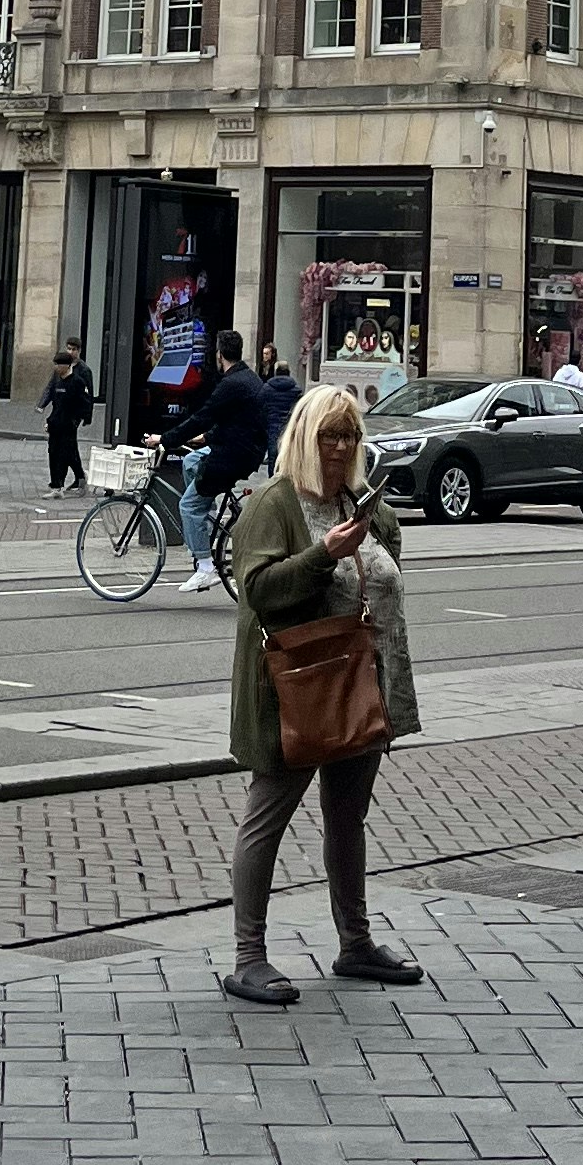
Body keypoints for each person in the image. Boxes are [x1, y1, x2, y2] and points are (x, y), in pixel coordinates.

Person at [221, 384, 424, 1006]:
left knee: (347, 816)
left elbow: (388, 559)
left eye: (350, 437)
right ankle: (248, 957)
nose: (340, 448)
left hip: (361, 681)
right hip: (296, 688)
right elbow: (257, 589)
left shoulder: (352, 497)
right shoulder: (273, 503)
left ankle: (354, 942)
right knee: (268, 818)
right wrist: (321, 554)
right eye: (329, 436)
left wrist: (370, 519)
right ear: (304, 439)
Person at [179, 329, 273, 594]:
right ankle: (204, 522)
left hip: (233, 455)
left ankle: (205, 567)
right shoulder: (248, 377)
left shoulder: (231, 383)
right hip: (242, 448)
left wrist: (164, 438)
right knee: (190, 462)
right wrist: (206, 438)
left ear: (219, 355)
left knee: (187, 506)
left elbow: (204, 416)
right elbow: (236, 423)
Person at [42, 336, 94, 493]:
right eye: (68, 348)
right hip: (59, 417)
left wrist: (85, 417)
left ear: (79, 351)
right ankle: (73, 479)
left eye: (74, 349)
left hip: (72, 417)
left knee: (66, 449)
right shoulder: (60, 371)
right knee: (66, 449)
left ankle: (61, 483)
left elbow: (87, 396)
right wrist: (42, 405)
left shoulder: (83, 372)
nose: (71, 352)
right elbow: (51, 388)